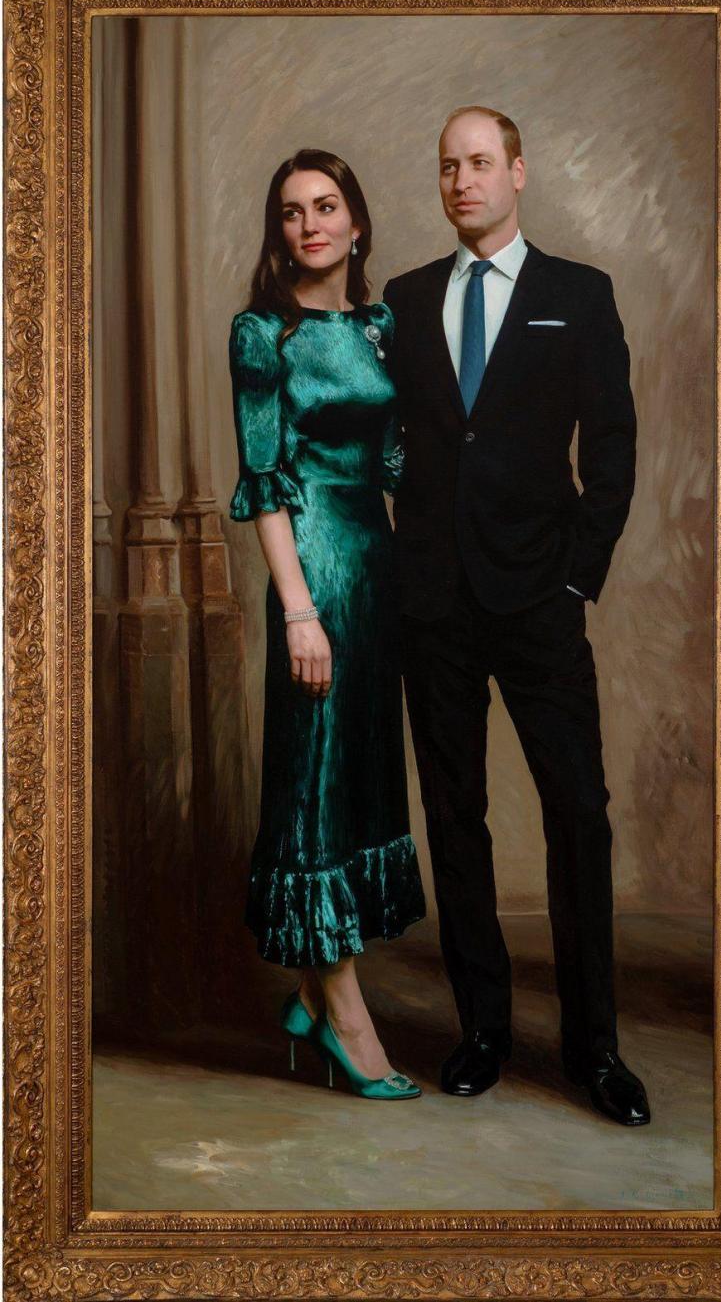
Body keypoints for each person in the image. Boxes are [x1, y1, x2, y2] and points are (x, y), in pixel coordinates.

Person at [383, 106, 651, 1125]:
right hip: (435, 607)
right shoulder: (406, 299)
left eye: (480, 162)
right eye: (447, 165)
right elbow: (388, 440)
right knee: (454, 816)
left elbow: (611, 445)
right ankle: (482, 1030)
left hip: (538, 599)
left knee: (577, 813)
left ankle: (594, 1049)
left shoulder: (576, 294)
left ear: (518, 173)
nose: (462, 180)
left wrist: (577, 578)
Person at [228, 148, 425, 1100]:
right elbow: (264, 482)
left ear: (355, 222)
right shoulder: (262, 333)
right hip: (313, 568)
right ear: (281, 231)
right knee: (310, 786)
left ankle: (311, 999)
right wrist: (298, 608)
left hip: (375, 568)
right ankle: (349, 1022)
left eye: (325, 206)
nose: (308, 224)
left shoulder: (379, 327)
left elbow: (395, 461)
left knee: (353, 780)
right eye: (291, 211)